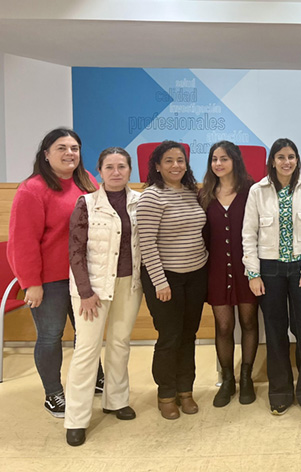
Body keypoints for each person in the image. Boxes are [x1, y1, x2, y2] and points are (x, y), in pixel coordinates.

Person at [7, 128, 104, 418]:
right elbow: (22, 242)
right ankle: (53, 393)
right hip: (51, 281)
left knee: (88, 332)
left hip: (85, 276)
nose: (69, 153)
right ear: (46, 154)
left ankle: (93, 377)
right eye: (61, 148)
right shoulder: (32, 189)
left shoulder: (87, 181)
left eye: (74, 148)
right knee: (51, 336)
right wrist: (31, 283)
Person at [64, 148, 142, 446]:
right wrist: (85, 292)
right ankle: (76, 418)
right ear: (99, 171)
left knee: (120, 343)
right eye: (109, 167)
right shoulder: (86, 203)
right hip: (93, 289)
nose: (116, 172)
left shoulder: (139, 202)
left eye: (122, 166)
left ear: (130, 170)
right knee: (86, 350)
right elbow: (75, 250)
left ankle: (116, 400)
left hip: (129, 285)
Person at [242, 138, 301, 415]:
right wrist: (253, 273)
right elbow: (248, 234)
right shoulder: (258, 191)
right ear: (272, 161)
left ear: (297, 160)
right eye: (280, 157)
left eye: (291, 157)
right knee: (275, 332)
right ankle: (280, 391)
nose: (286, 162)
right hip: (269, 270)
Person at [138, 141, 208, 420]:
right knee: (169, 337)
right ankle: (166, 394)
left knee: (189, 335)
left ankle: (185, 391)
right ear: (157, 166)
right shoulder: (151, 197)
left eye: (180, 160)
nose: (176, 165)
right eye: (168, 161)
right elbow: (147, 244)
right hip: (165, 278)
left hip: (196, 275)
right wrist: (160, 282)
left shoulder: (192, 192)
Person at [199, 141, 259, 408]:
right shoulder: (205, 194)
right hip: (216, 270)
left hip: (247, 269)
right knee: (223, 326)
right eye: (214, 159)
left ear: (235, 160)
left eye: (224, 158)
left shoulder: (251, 191)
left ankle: (246, 377)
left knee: (248, 323)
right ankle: (227, 380)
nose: (218, 163)